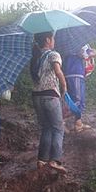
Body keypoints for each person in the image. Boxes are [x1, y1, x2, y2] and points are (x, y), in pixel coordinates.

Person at [30, 32, 68, 172]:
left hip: (36, 97)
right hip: (50, 96)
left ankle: (41, 160)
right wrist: (64, 86)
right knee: (58, 128)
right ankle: (55, 160)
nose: (54, 41)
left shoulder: (35, 57)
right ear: (47, 40)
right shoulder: (53, 54)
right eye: (53, 38)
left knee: (46, 127)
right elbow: (58, 71)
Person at [64, 43, 96, 133]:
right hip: (74, 72)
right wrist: (90, 53)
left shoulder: (69, 41)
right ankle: (61, 120)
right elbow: (83, 54)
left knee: (80, 101)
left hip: (75, 73)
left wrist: (91, 52)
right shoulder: (74, 41)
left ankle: (78, 123)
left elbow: (89, 52)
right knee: (77, 100)